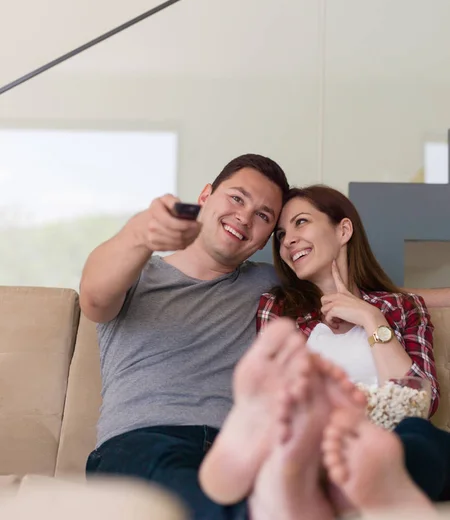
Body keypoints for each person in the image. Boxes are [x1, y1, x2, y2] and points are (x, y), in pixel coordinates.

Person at [81, 163, 450, 520]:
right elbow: (94, 298)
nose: (245, 217)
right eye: (237, 199)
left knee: (420, 437)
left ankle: (337, 491)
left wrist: (374, 311)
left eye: (263, 217)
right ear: (206, 196)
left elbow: (354, 286)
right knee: (194, 497)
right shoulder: (136, 272)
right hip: (149, 439)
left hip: (242, 447)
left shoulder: (269, 285)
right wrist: (140, 234)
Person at [199, 185, 450, 510]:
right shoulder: (277, 308)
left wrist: (372, 320)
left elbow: (420, 403)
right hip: (321, 439)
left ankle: (365, 480)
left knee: (419, 435)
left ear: (343, 230)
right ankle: (318, 480)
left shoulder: (401, 307)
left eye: (301, 222)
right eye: (281, 234)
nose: (287, 240)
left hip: (397, 439)